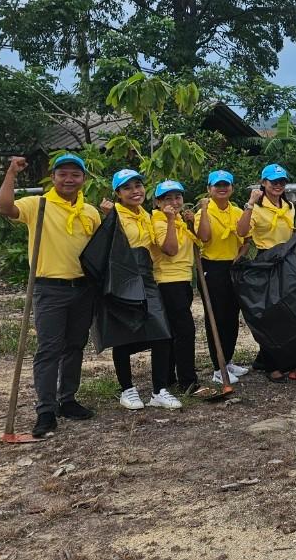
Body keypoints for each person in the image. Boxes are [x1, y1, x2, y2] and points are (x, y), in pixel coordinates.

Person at [0, 153, 101, 437]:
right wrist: (12, 173)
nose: (69, 179)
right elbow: (4, 207)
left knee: (75, 346)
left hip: (82, 288)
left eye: (75, 175)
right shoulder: (37, 204)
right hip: (49, 288)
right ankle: (45, 408)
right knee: (48, 349)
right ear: (53, 177)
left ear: (83, 180)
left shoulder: (90, 212)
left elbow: (98, 253)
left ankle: (67, 400)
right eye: (63, 174)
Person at [103, 169, 181, 411]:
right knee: (123, 335)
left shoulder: (146, 215)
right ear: (117, 193)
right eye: (127, 188)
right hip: (122, 277)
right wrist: (109, 220)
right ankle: (127, 389)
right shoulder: (112, 213)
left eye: (138, 185)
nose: (135, 191)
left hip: (146, 277)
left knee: (161, 333)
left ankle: (159, 390)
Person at [236, 163, 296, 381]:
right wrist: (250, 204)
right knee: (269, 315)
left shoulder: (289, 206)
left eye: (281, 181)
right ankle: (272, 364)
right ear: (264, 183)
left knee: (286, 312)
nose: (278, 185)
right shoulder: (257, 207)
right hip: (265, 262)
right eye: (273, 182)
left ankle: (264, 359)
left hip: (286, 262)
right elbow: (241, 232)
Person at [194, 170, 249, 386]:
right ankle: (218, 367)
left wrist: (239, 257)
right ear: (209, 189)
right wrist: (205, 210)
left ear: (232, 188)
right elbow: (204, 236)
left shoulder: (236, 211)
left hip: (232, 265)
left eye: (226, 185)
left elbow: (246, 239)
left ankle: (228, 359)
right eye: (217, 185)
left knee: (232, 315)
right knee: (216, 318)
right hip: (212, 267)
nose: (222, 188)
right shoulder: (203, 212)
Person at [149, 180, 199, 394]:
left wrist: (189, 223)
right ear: (158, 202)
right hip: (168, 281)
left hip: (182, 280)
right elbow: (170, 249)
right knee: (185, 331)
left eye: (177, 197)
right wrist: (171, 220)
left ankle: (168, 376)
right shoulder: (160, 222)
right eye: (167, 198)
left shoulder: (179, 220)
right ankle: (187, 380)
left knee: (171, 331)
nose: (174, 202)